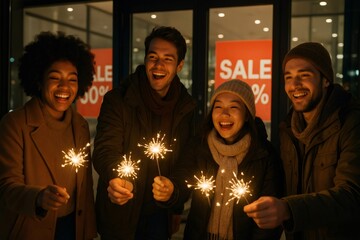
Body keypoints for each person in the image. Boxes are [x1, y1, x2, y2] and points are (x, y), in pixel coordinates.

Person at [243, 42, 360, 239]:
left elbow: (352, 195)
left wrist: (288, 209)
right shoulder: (287, 129)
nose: (294, 85)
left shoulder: (350, 123)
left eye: (304, 76)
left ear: (325, 80)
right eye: (289, 78)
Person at [92, 26, 196, 239]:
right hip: (120, 211)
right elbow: (104, 149)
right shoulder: (118, 100)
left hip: (160, 214)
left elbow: (186, 162)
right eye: (153, 57)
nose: (158, 65)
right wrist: (115, 177)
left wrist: (174, 197)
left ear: (179, 65)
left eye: (168, 59)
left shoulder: (186, 107)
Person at [153, 79, 284, 239]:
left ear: (248, 115)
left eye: (234, 107)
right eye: (218, 106)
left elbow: (267, 221)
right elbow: (182, 179)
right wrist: (171, 190)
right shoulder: (199, 146)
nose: (224, 114)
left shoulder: (264, 155)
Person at [0, 31, 97, 240]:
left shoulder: (80, 124)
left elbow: (85, 185)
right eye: (55, 78)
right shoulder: (15, 124)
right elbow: (6, 186)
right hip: (32, 227)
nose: (64, 87)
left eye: (72, 79)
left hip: (74, 227)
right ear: (38, 80)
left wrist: (88, 230)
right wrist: (38, 197)